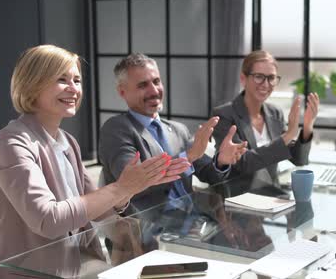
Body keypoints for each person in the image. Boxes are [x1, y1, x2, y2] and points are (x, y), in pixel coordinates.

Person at [0, 45, 189, 279]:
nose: (73, 89)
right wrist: (120, 187)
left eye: (77, 80)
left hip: (75, 267)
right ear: (32, 83)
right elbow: (48, 220)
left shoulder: (67, 142)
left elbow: (98, 208)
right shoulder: (11, 143)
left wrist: (129, 190)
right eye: (62, 79)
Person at [99, 53, 247, 214]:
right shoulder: (116, 129)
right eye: (143, 85)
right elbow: (131, 184)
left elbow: (210, 175)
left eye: (156, 81)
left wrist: (221, 161)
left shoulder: (178, 129)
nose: (154, 91)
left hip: (191, 221)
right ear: (122, 92)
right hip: (144, 231)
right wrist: (188, 157)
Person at [212, 50, 320, 188]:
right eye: (258, 76)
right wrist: (287, 136)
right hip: (238, 198)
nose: (266, 84)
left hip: (272, 196)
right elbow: (243, 163)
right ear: (243, 79)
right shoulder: (223, 115)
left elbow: (299, 159)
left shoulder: (275, 113)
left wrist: (307, 127)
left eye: (271, 78)